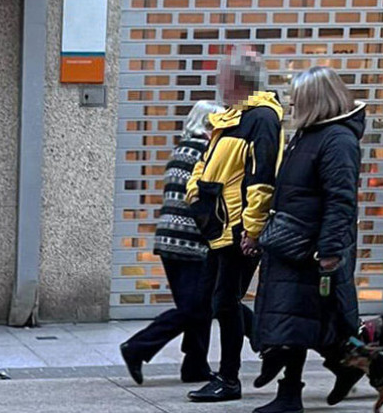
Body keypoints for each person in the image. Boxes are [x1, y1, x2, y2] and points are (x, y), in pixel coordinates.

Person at [252, 67, 364, 413]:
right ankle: (357, 367)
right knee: (299, 321)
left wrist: (329, 251)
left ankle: (290, 396)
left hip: (313, 250)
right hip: (292, 245)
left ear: (316, 99)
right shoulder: (307, 135)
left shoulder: (337, 140)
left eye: (298, 97)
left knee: (299, 323)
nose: (292, 103)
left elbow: (340, 200)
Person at [186, 46, 284, 402]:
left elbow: (261, 179)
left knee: (225, 303)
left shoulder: (261, 118)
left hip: (238, 231)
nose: (217, 83)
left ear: (236, 81)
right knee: (217, 301)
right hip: (220, 227)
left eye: (221, 77)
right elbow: (207, 160)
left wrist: (252, 229)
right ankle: (269, 348)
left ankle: (230, 379)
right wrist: (194, 191)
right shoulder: (232, 116)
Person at [119, 100, 224, 385]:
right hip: (191, 242)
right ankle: (137, 347)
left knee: (197, 307)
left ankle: (195, 366)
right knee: (195, 308)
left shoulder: (181, 150)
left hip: (169, 240)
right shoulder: (205, 153)